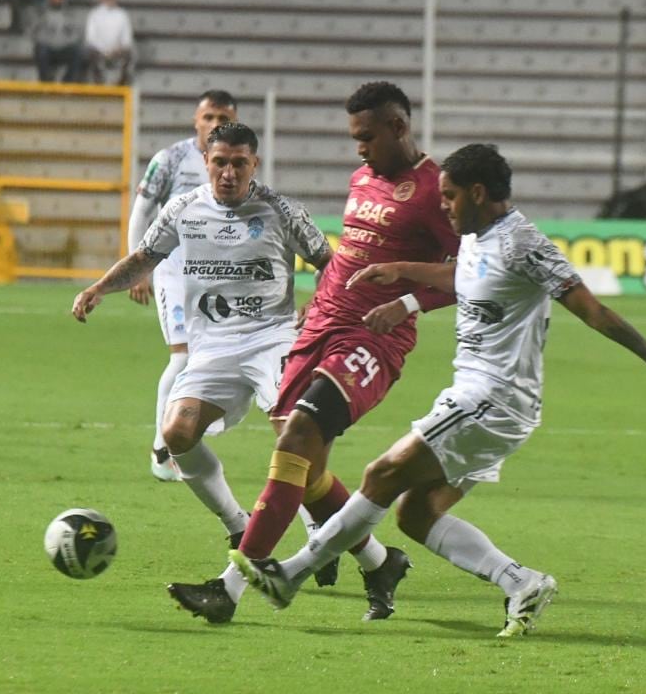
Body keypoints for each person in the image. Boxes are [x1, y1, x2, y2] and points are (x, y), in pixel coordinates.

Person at [233, 143, 646, 636]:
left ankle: (290, 576)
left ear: (478, 193)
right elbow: (463, 275)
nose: (442, 205)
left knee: (381, 475)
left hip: (491, 399)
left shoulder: (523, 242)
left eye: (449, 196)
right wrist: (403, 274)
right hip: (494, 402)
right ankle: (521, 582)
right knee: (417, 514)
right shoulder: (480, 237)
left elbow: (590, 308)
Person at [167, 80, 461, 624]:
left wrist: (409, 303)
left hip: (374, 337)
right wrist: (315, 306)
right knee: (306, 464)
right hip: (319, 326)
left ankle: (229, 588)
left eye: (367, 136)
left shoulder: (431, 192)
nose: (359, 148)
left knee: (298, 437)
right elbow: (348, 255)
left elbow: (472, 273)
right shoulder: (362, 178)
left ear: (399, 127)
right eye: (354, 138)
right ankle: (379, 561)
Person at [73, 122, 336, 580]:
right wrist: (100, 287)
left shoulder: (280, 210)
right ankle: (238, 524)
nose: (228, 173)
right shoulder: (184, 209)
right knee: (176, 433)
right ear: (206, 164)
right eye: (219, 162)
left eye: (239, 163)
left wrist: (317, 302)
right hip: (212, 345)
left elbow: (332, 264)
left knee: (293, 432)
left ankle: (321, 534)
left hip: (272, 337)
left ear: (254, 163)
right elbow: (144, 257)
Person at [126, 89, 238, 482]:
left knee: (214, 356)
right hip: (173, 268)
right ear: (196, 120)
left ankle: (187, 431)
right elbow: (141, 211)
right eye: (208, 117)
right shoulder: (169, 159)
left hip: (214, 276)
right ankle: (162, 449)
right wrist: (139, 267)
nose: (214, 124)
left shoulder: (235, 164)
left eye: (223, 117)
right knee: (182, 356)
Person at [30, 0, 84, 82]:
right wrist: (45, 40)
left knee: (78, 51)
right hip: (48, 48)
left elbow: (78, 34)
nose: (58, 0)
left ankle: (67, 82)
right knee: (40, 50)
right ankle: (45, 82)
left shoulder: (70, 16)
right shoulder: (42, 15)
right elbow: (33, 32)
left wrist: (67, 41)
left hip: (64, 49)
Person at [83, 0, 135, 85]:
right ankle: (98, 83)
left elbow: (127, 39)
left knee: (129, 54)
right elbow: (90, 38)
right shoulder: (94, 14)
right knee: (89, 52)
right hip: (98, 51)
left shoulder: (122, 15)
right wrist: (103, 51)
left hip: (117, 51)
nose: (109, 0)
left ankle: (121, 83)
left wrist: (117, 49)